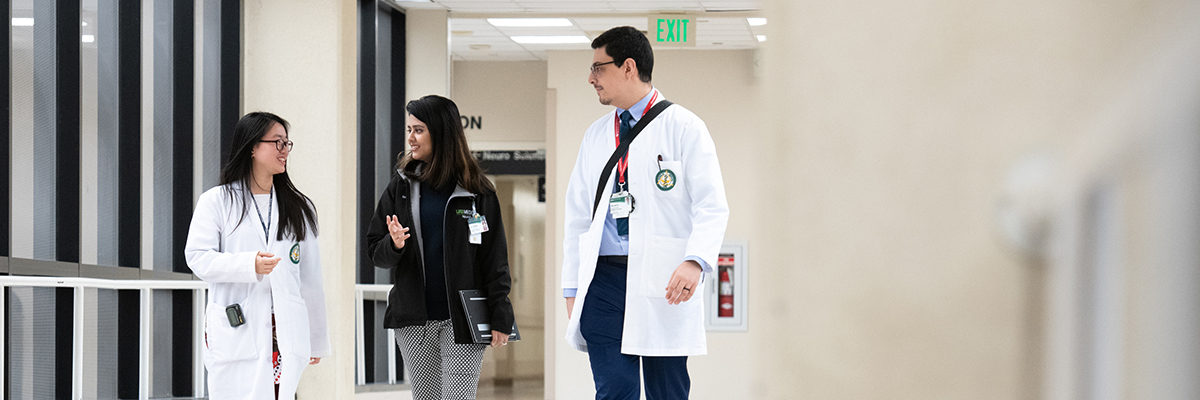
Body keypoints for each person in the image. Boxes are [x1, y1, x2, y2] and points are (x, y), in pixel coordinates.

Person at [561, 26, 729, 400]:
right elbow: (578, 216)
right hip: (603, 282)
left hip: (663, 279)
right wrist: (572, 286)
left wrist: (695, 261)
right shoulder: (596, 135)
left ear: (628, 67)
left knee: (667, 390)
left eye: (598, 68)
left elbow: (712, 204)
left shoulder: (684, 127)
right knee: (615, 389)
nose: (591, 78)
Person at [366, 95, 515, 400]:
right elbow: (375, 251)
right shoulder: (401, 187)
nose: (410, 137)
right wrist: (394, 245)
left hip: (463, 319)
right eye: (409, 129)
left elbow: (494, 259)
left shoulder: (478, 191)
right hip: (414, 321)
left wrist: (501, 314)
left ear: (441, 132)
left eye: (418, 130)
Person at [184, 112, 330, 400]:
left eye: (287, 143)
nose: (284, 150)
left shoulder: (299, 207)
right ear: (252, 147)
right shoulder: (216, 201)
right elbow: (197, 257)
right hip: (237, 326)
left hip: (283, 331)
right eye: (277, 142)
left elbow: (310, 277)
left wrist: (315, 339)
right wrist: (248, 265)